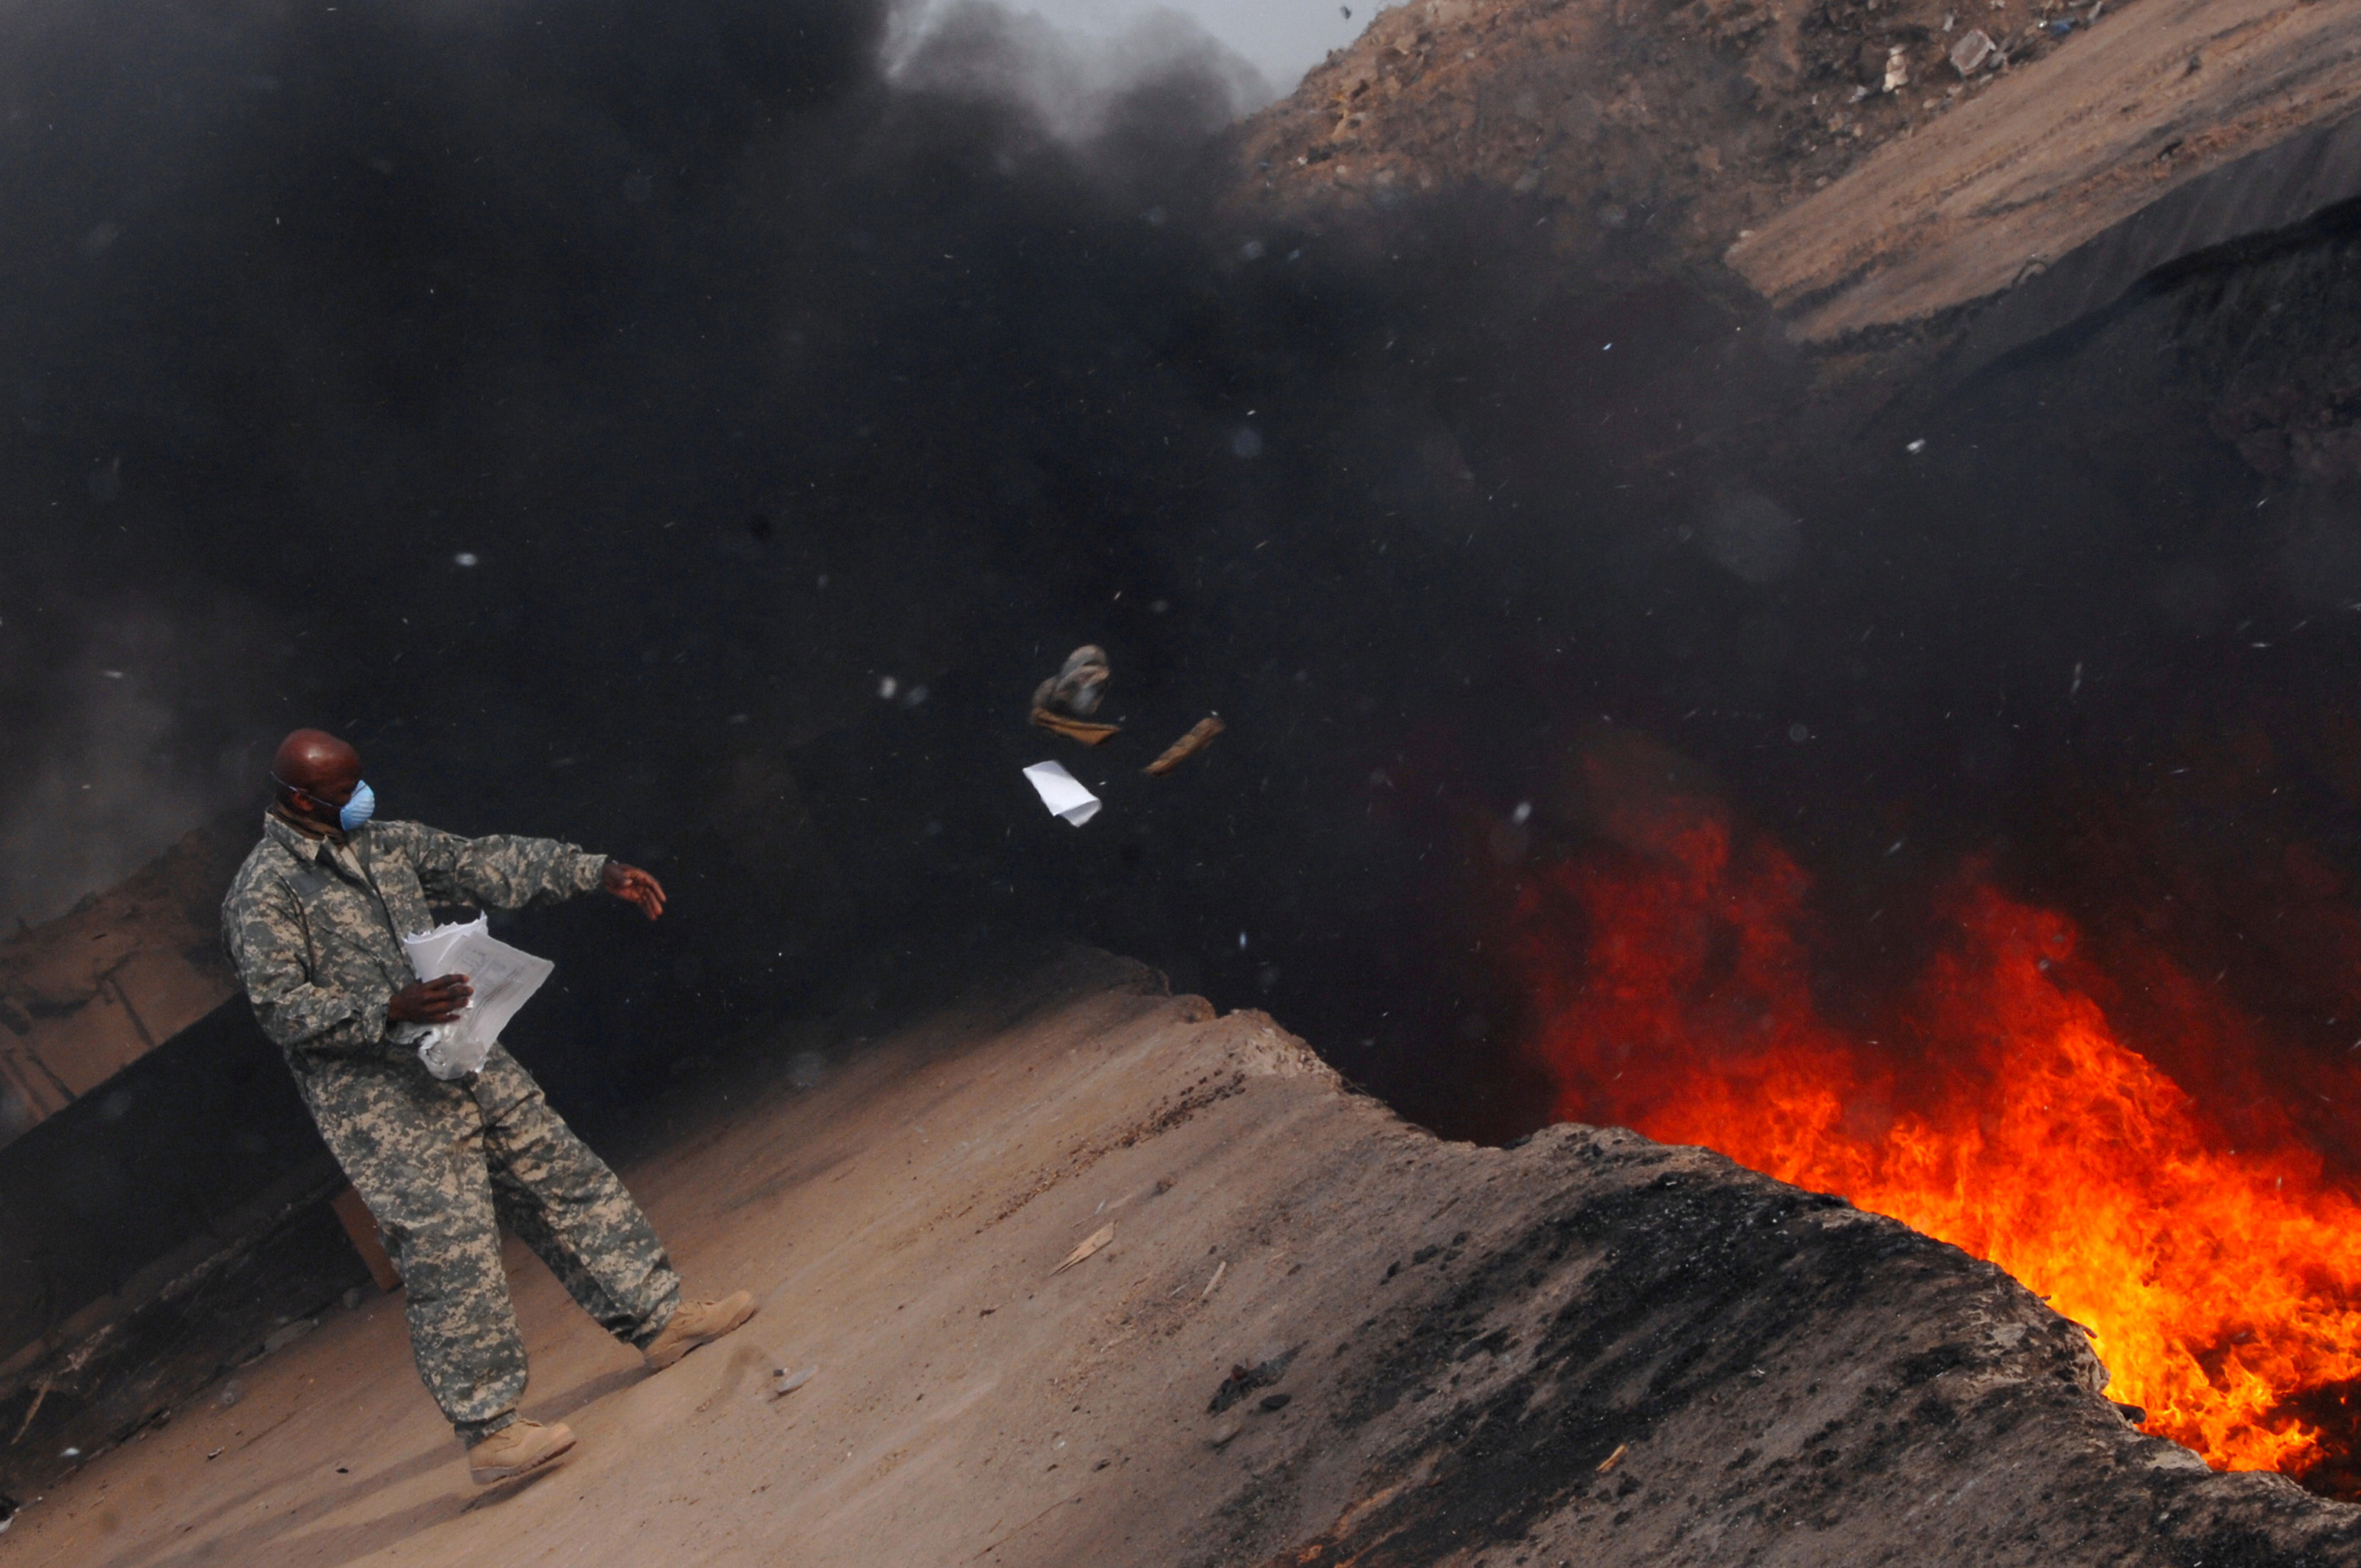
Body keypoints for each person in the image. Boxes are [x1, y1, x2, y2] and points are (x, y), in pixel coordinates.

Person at [220, 728, 755, 1484]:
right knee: (451, 1259)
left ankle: (659, 1320)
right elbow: (282, 1009)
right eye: (347, 792)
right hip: (384, 1107)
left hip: (469, 1060)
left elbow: (481, 861)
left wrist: (594, 872)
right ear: (299, 800)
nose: (363, 799)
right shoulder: (263, 893)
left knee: (565, 1182)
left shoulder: (383, 843)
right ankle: (491, 1433)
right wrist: (389, 1006)